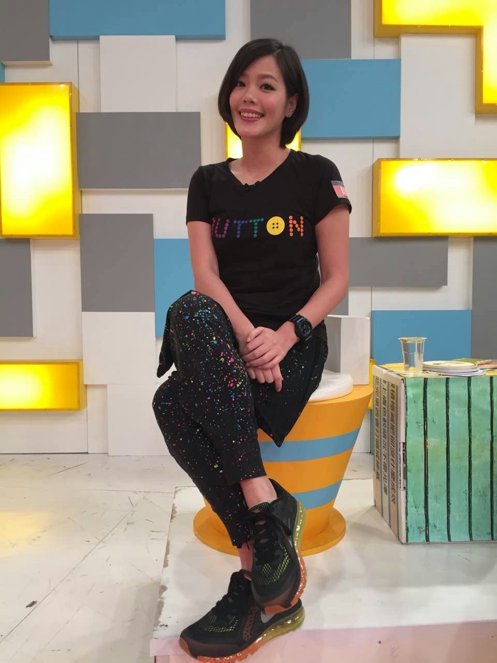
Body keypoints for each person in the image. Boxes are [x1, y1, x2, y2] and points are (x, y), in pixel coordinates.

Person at [152, 37, 351, 661]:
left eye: (267, 85)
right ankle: (264, 528)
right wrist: (245, 337)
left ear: (291, 103)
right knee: (190, 311)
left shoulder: (317, 174)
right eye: (241, 82)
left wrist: (284, 335)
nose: (249, 96)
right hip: (227, 341)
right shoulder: (207, 181)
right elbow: (205, 277)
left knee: (171, 404)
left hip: (293, 343)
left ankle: (256, 574)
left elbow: (336, 279)